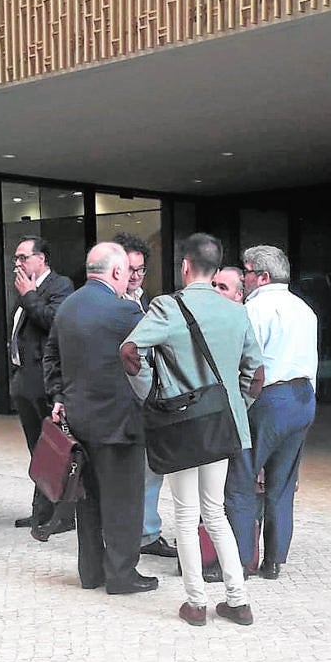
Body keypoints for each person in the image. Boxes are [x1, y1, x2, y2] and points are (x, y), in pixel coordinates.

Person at [121, 233, 264, 626]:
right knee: (215, 512)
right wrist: (234, 406)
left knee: (185, 515)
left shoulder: (167, 307)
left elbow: (130, 351)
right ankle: (238, 600)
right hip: (220, 425)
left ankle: (196, 602)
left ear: (185, 265)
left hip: (179, 423)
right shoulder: (237, 312)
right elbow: (256, 375)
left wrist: (152, 393)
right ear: (216, 270)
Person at [43, 242, 155, 595]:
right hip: (120, 422)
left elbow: (51, 356)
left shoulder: (67, 306)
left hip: (78, 419)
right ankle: (122, 574)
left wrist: (58, 396)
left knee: (87, 499)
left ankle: (91, 572)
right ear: (118, 271)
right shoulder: (126, 311)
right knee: (124, 501)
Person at [227, 245, 318, 581]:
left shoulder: (254, 308)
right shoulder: (305, 309)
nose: (244, 278)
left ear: (262, 277)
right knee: (282, 483)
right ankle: (274, 560)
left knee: (241, 479)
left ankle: (241, 559)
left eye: (247, 272)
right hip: (303, 397)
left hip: (268, 397)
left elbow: (247, 364)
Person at [112, 232, 178, 560]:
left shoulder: (147, 302)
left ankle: (146, 531)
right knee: (127, 472)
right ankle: (132, 535)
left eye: (141, 269)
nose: (136, 276)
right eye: (130, 269)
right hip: (120, 399)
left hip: (147, 398)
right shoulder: (110, 304)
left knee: (151, 469)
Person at [8, 235, 76, 535]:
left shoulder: (59, 286)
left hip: (45, 379)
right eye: (16, 258)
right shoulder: (26, 289)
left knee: (54, 447)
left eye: (23, 257)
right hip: (24, 377)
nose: (18, 264)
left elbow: (54, 321)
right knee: (37, 448)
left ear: (41, 259)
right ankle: (42, 510)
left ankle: (62, 514)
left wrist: (30, 296)